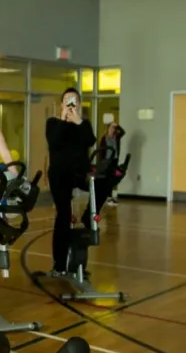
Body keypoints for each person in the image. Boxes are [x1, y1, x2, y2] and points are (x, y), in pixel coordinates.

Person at [45, 87, 96, 276]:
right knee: (63, 215)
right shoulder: (53, 123)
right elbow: (54, 141)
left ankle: (88, 217)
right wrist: (65, 119)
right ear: (61, 105)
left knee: (103, 185)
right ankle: (59, 264)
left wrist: (78, 121)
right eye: (67, 101)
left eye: (74, 101)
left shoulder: (84, 124)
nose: (70, 105)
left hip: (79, 174)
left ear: (80, 105)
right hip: (60, 175)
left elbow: (90, 140)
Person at [90, 121, 128, 210]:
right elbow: (101, 151)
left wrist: (117, 126)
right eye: (111, 127)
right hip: (106, 160)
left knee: (112, 178)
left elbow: (123, 132)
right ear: (108, 128)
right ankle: (108, 197)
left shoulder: (116, 137)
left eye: (114, 128)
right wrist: (101, 163)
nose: (113, 129)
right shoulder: (104, 138)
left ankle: (110, 197)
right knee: (107, 178)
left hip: (114, 160)